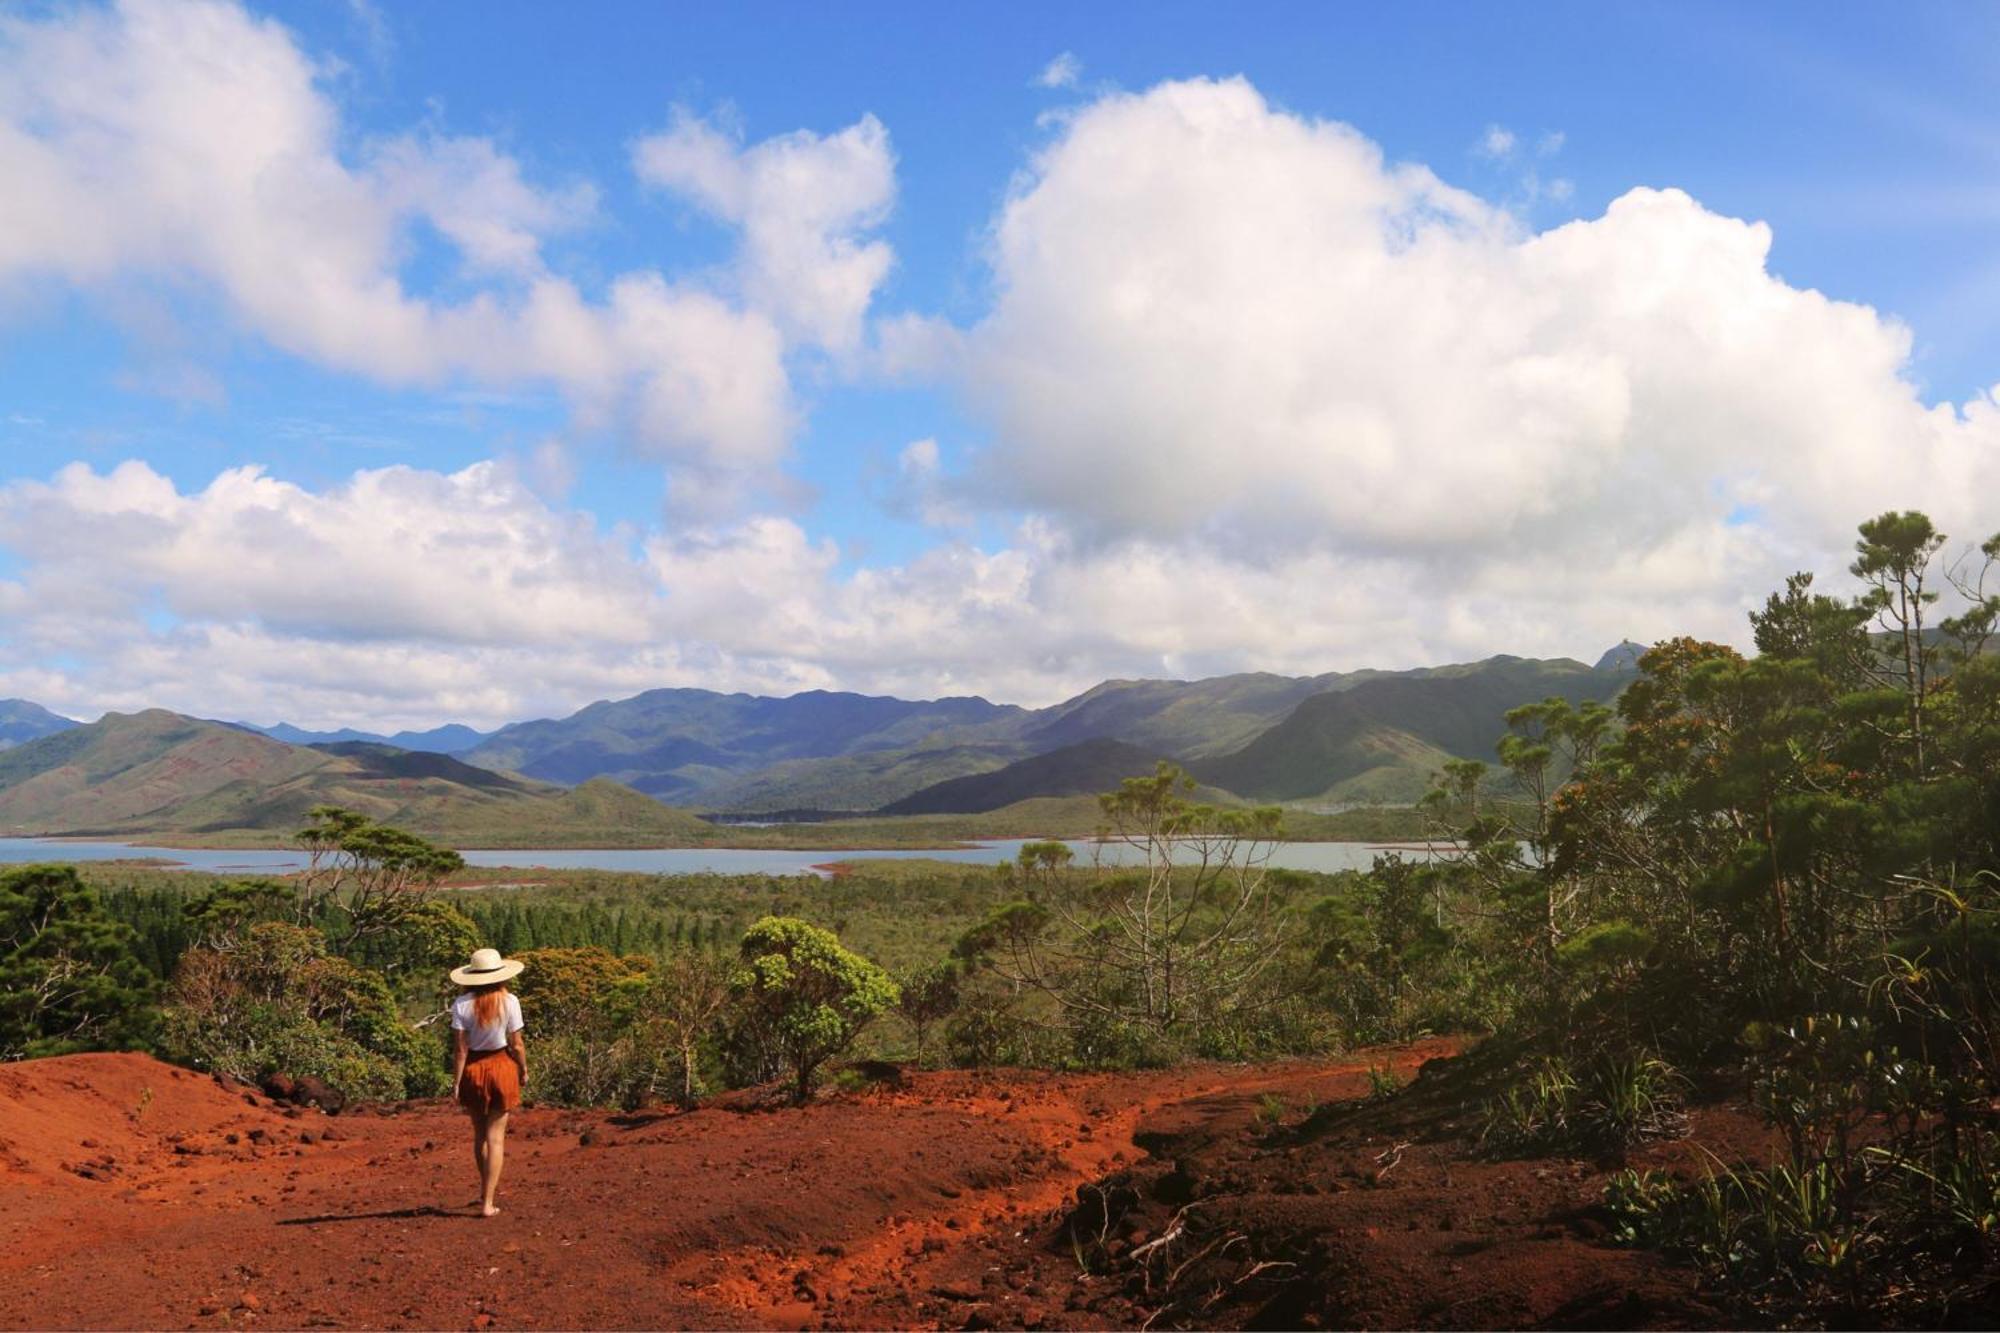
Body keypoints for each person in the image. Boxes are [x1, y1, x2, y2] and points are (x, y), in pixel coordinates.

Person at [448, 947, 527, 1217]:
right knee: (496, 1139)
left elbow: (460, 1050)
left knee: (480, 1134)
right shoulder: (511, 1001)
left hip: (473, 1070)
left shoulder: (461, 1004)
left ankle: (484, 1194)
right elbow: (516, 1044)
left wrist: (457, 1082)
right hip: (502, 1067)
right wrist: (523, 1069)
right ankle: (488, 1202)